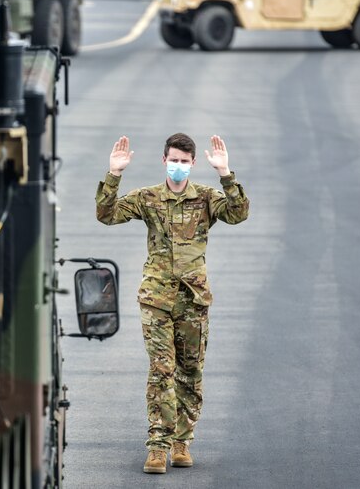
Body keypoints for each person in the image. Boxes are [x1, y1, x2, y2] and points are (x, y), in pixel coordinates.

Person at [95, 133, 249, 474]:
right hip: (157, 299)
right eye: (173, 160)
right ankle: (157, 446)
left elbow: (238, 214)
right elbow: (106, 215)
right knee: (161, 370)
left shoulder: (206, 197)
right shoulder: (148, 198)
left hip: (193, 299)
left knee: (190, 372)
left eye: (184, 161)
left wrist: (226, 173)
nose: (178, 166)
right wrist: (114, 174)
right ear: (164, 160)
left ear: (193, 164)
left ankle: (182, 441)